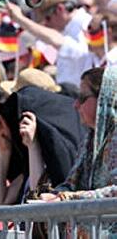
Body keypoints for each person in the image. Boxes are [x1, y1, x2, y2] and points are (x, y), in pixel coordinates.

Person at [41, 66, 117, 201]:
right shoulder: (89, 141)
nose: (75, 105)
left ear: (105, 99)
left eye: (82, 98)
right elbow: (71, 185)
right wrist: (55, 195)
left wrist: (71, 197)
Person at [6, 0, 91, 86]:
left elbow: (60, 41)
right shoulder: (69, 28)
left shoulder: (86, 25)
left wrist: (20, 19)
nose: (45, 24)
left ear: (60, 9)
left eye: (47, 18)